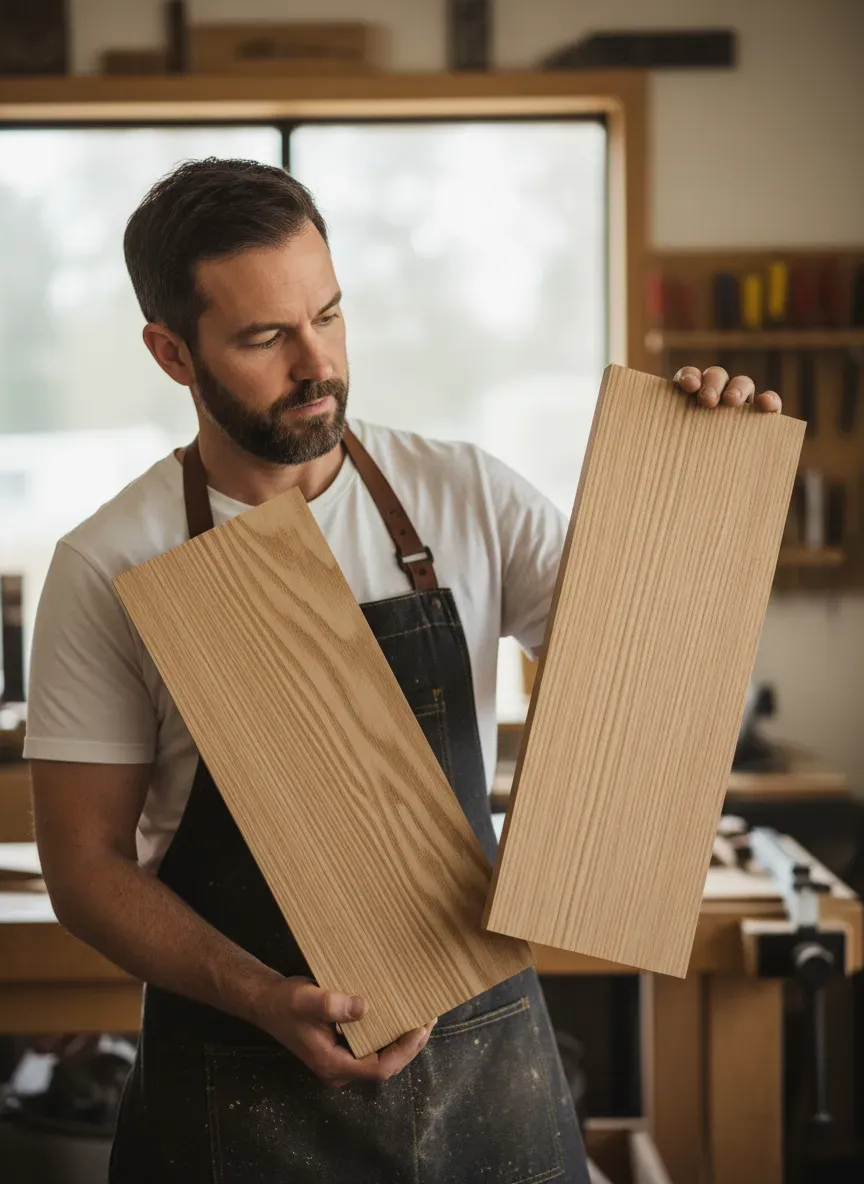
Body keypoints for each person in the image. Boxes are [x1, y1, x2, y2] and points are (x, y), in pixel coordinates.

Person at [26, 158, 782, 1183]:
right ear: (171, 352)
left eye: (330, 316)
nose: (317, 363)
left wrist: (697, 489)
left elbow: (661, 688)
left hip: (485, 1045)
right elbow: (83, 867)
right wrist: (258, 993)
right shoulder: (112, 562)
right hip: (239, 1063)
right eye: (264, 337)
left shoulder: (466, 494)